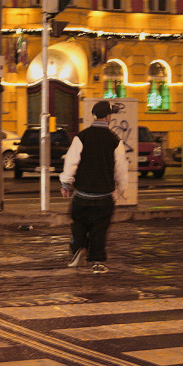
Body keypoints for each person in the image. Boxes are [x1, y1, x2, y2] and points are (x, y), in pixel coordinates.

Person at [59, 100, 129, 274]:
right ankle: (97, 262)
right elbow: (121, 167)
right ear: (107, 117)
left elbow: (71, 161)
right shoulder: (115, 140)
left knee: (79, 225)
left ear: (95, 116)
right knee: (99, 230)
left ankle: (77, 250)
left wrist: (66, 183)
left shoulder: (81, 137)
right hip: (104, 197)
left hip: (82, 196)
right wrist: (122, 188)